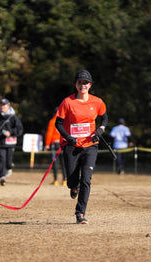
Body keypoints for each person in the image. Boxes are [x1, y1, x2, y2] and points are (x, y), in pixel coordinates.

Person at [55, 69, 108, 224]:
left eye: (85, 83)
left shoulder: (97, 102)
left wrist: (100, 130)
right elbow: (58, 123)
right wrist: (68, 137)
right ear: (75, 85)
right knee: (71, 180)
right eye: (80, 82)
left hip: (90, 145)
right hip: (71, 146)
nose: (82, 85)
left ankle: (80, 213)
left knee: (86, 179)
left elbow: (104, 118)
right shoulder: (68, 102)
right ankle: (73, 187)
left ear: (90, 85)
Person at [0, 98, 23, 186]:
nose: (2, 106)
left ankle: (9, 168)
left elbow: (19, 129)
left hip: (10, 143)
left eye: (4, 105)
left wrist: (10, 133)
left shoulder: (13, 117)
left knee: (8, 161)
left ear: (8, 106)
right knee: (1, 159)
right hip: (0, 142)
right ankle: (2, 177)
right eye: (1, 105)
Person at [44, 108, 66, 186]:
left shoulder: (52, 121)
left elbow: (49, 134)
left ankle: (56, 180)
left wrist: (47, 144)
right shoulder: (64, 121)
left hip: (55, 143)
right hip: (63, 143)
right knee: (64, 162)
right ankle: (64, 180)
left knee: (55, 162)